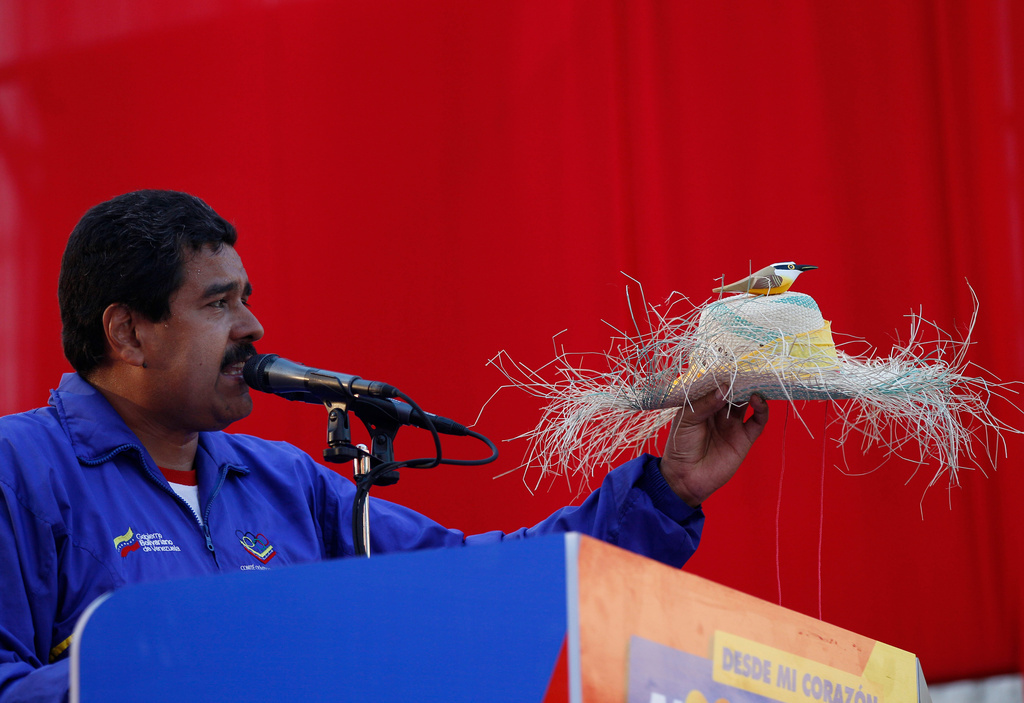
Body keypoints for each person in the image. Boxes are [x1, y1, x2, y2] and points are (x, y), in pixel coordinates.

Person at [0, 190, 769, 702]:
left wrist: (670, 491)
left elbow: (489, 585)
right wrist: (171, 661)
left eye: (248, 299)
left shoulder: (286, 483)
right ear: (128, 331)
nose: (253, 329)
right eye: (217, 303)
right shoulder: (22, 468)